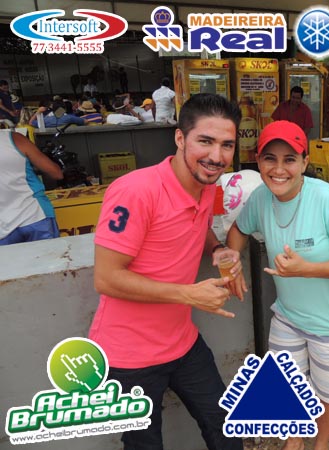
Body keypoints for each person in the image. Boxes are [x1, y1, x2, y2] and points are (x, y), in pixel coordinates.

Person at [89, 93, 244, 450]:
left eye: (227, 145)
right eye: (205, 141)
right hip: (129, 357)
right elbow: (106, 278)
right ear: (180, 138)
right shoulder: (135, 191)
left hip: (182, 341)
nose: (216, 156)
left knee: (227, 429)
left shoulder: (206, 185)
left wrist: (218, 249)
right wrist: (189, 294)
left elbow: (200, 225)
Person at [226, 120, 329, 450]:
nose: (278, 169)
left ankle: (321, 444)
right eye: (269, 158)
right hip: (288, 317)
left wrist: (307, 269)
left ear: (305, 162)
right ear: (258, 161)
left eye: (289, 159)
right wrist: (232, 263)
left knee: (328, 395)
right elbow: (238, 230)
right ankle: (295, 440)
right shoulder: (261, 197)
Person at [0, 131, 64, 245]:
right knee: (50, 256)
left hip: (3, 229)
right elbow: (56, 173)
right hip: (35, 216)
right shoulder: (15, 139)